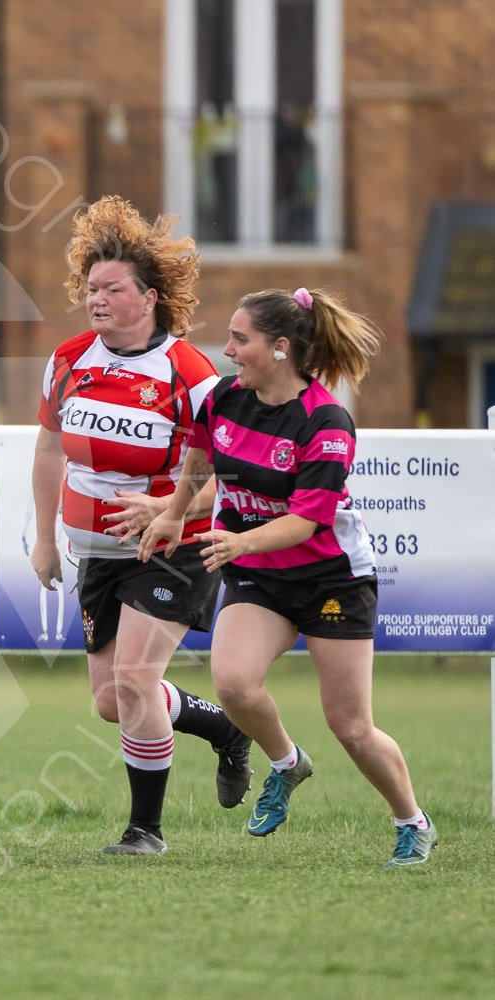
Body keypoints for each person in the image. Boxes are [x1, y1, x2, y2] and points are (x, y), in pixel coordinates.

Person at [139, 287, 436, 868]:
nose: (227, 351)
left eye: (239, 339)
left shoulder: (326, 421)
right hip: (259, 575)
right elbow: (199, 460)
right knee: (233, 684)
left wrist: (238, 539)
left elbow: (307, 521)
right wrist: (174, 515)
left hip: (331, 580)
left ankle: (412, 821)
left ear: (280, 348)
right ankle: (285, 763)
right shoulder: (225, 397)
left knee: (351, 727)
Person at [30, 195, 253, 857]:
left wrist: (172, 509)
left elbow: (234, 473)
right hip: (98, 553)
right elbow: (46, 449)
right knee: (111, 700)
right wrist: (45, 538)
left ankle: (145, 832)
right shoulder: (68, 360)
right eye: (90, 288)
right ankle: (222, 729)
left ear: (149, 296)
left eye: (112, 288)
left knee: (132, 680)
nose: (97, 299)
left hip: (173, 550)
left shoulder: (190, 374)